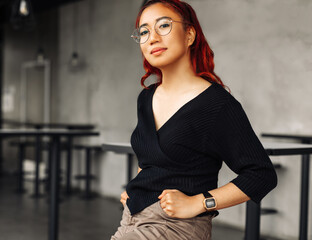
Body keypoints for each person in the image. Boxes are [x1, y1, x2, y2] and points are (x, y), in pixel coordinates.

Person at [111, 0, 277, 239]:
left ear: (189, 35)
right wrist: (137, 187)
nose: (153, 37)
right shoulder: (146, 98)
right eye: (144, 31)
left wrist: (201, 202)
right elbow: (150, 158)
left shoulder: (216, 104)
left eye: (164, 26)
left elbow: (261, 174)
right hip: (130, 218)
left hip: (175, 226)